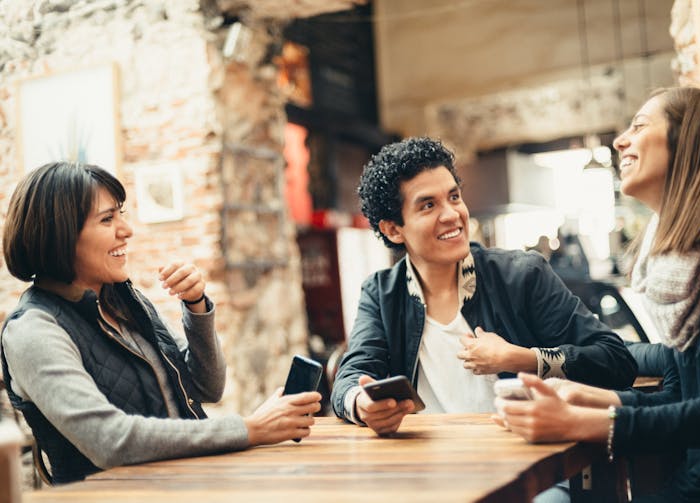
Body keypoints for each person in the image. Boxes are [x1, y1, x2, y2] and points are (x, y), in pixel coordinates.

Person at [497, 87, 700, 502]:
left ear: (689, 140)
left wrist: (576, 422)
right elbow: (679, 385)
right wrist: (588, 397)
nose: (620, 140)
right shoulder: (693, 255)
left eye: (638, 126)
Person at [0, 162, 322, 484]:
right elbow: (110, 440)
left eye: (121, 215)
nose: (126, 230)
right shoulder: (33, 331)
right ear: (61, 236)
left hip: (183, 483)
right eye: (107, 219)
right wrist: (250, 429)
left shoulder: (126, 302)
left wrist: (196, 306)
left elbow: (207, 386)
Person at [331, 136, 636, 437]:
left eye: (454, 197)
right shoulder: (382, 293)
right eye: (428, 205)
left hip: (529, 460)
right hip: (426, 469)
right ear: (394, 229)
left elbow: (616, 361)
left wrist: (521, 358)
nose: (452, 215)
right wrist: (361, 404)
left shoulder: (521, 275)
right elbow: (349, 378)